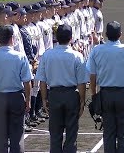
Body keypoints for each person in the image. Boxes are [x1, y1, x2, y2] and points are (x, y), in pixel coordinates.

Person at [87, 21, 124, 153]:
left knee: (108, 132)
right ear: (120, 35)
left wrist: (95, 95)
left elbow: (92, 77)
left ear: (106, 34)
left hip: (105, 95)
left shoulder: (97, 50)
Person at [35, 24, 87, 153]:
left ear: (56, 38)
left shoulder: (47, 55)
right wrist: (82, 101)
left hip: (55, 95)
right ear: (71, 37)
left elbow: (42, 81)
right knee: (71, 133)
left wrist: (44, 99)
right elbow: (81, 83)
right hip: (71, 95)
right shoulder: (77, 56)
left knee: (55, 133)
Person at [0, 25, 32, 153]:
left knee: (0, 135)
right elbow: (27, 82)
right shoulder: (19, 56)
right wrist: (28, 101)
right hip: (16, 96)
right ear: (12, 38)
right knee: (17, 134)